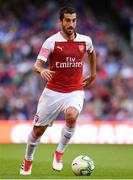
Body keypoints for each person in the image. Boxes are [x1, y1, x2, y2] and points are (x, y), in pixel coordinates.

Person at [20, 6, 96, 175]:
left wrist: (93, 74)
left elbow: (91, 52)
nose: (71, 24)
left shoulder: (85, 40)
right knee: (38, 131)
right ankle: (27, 161)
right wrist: (42, 70)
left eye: (74, 20)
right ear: (61, 21)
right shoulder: (51, 42)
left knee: (71, 116)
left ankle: (59, 153)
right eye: (67, 20)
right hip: (53, 91)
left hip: (75, 89)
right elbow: (37, 65)